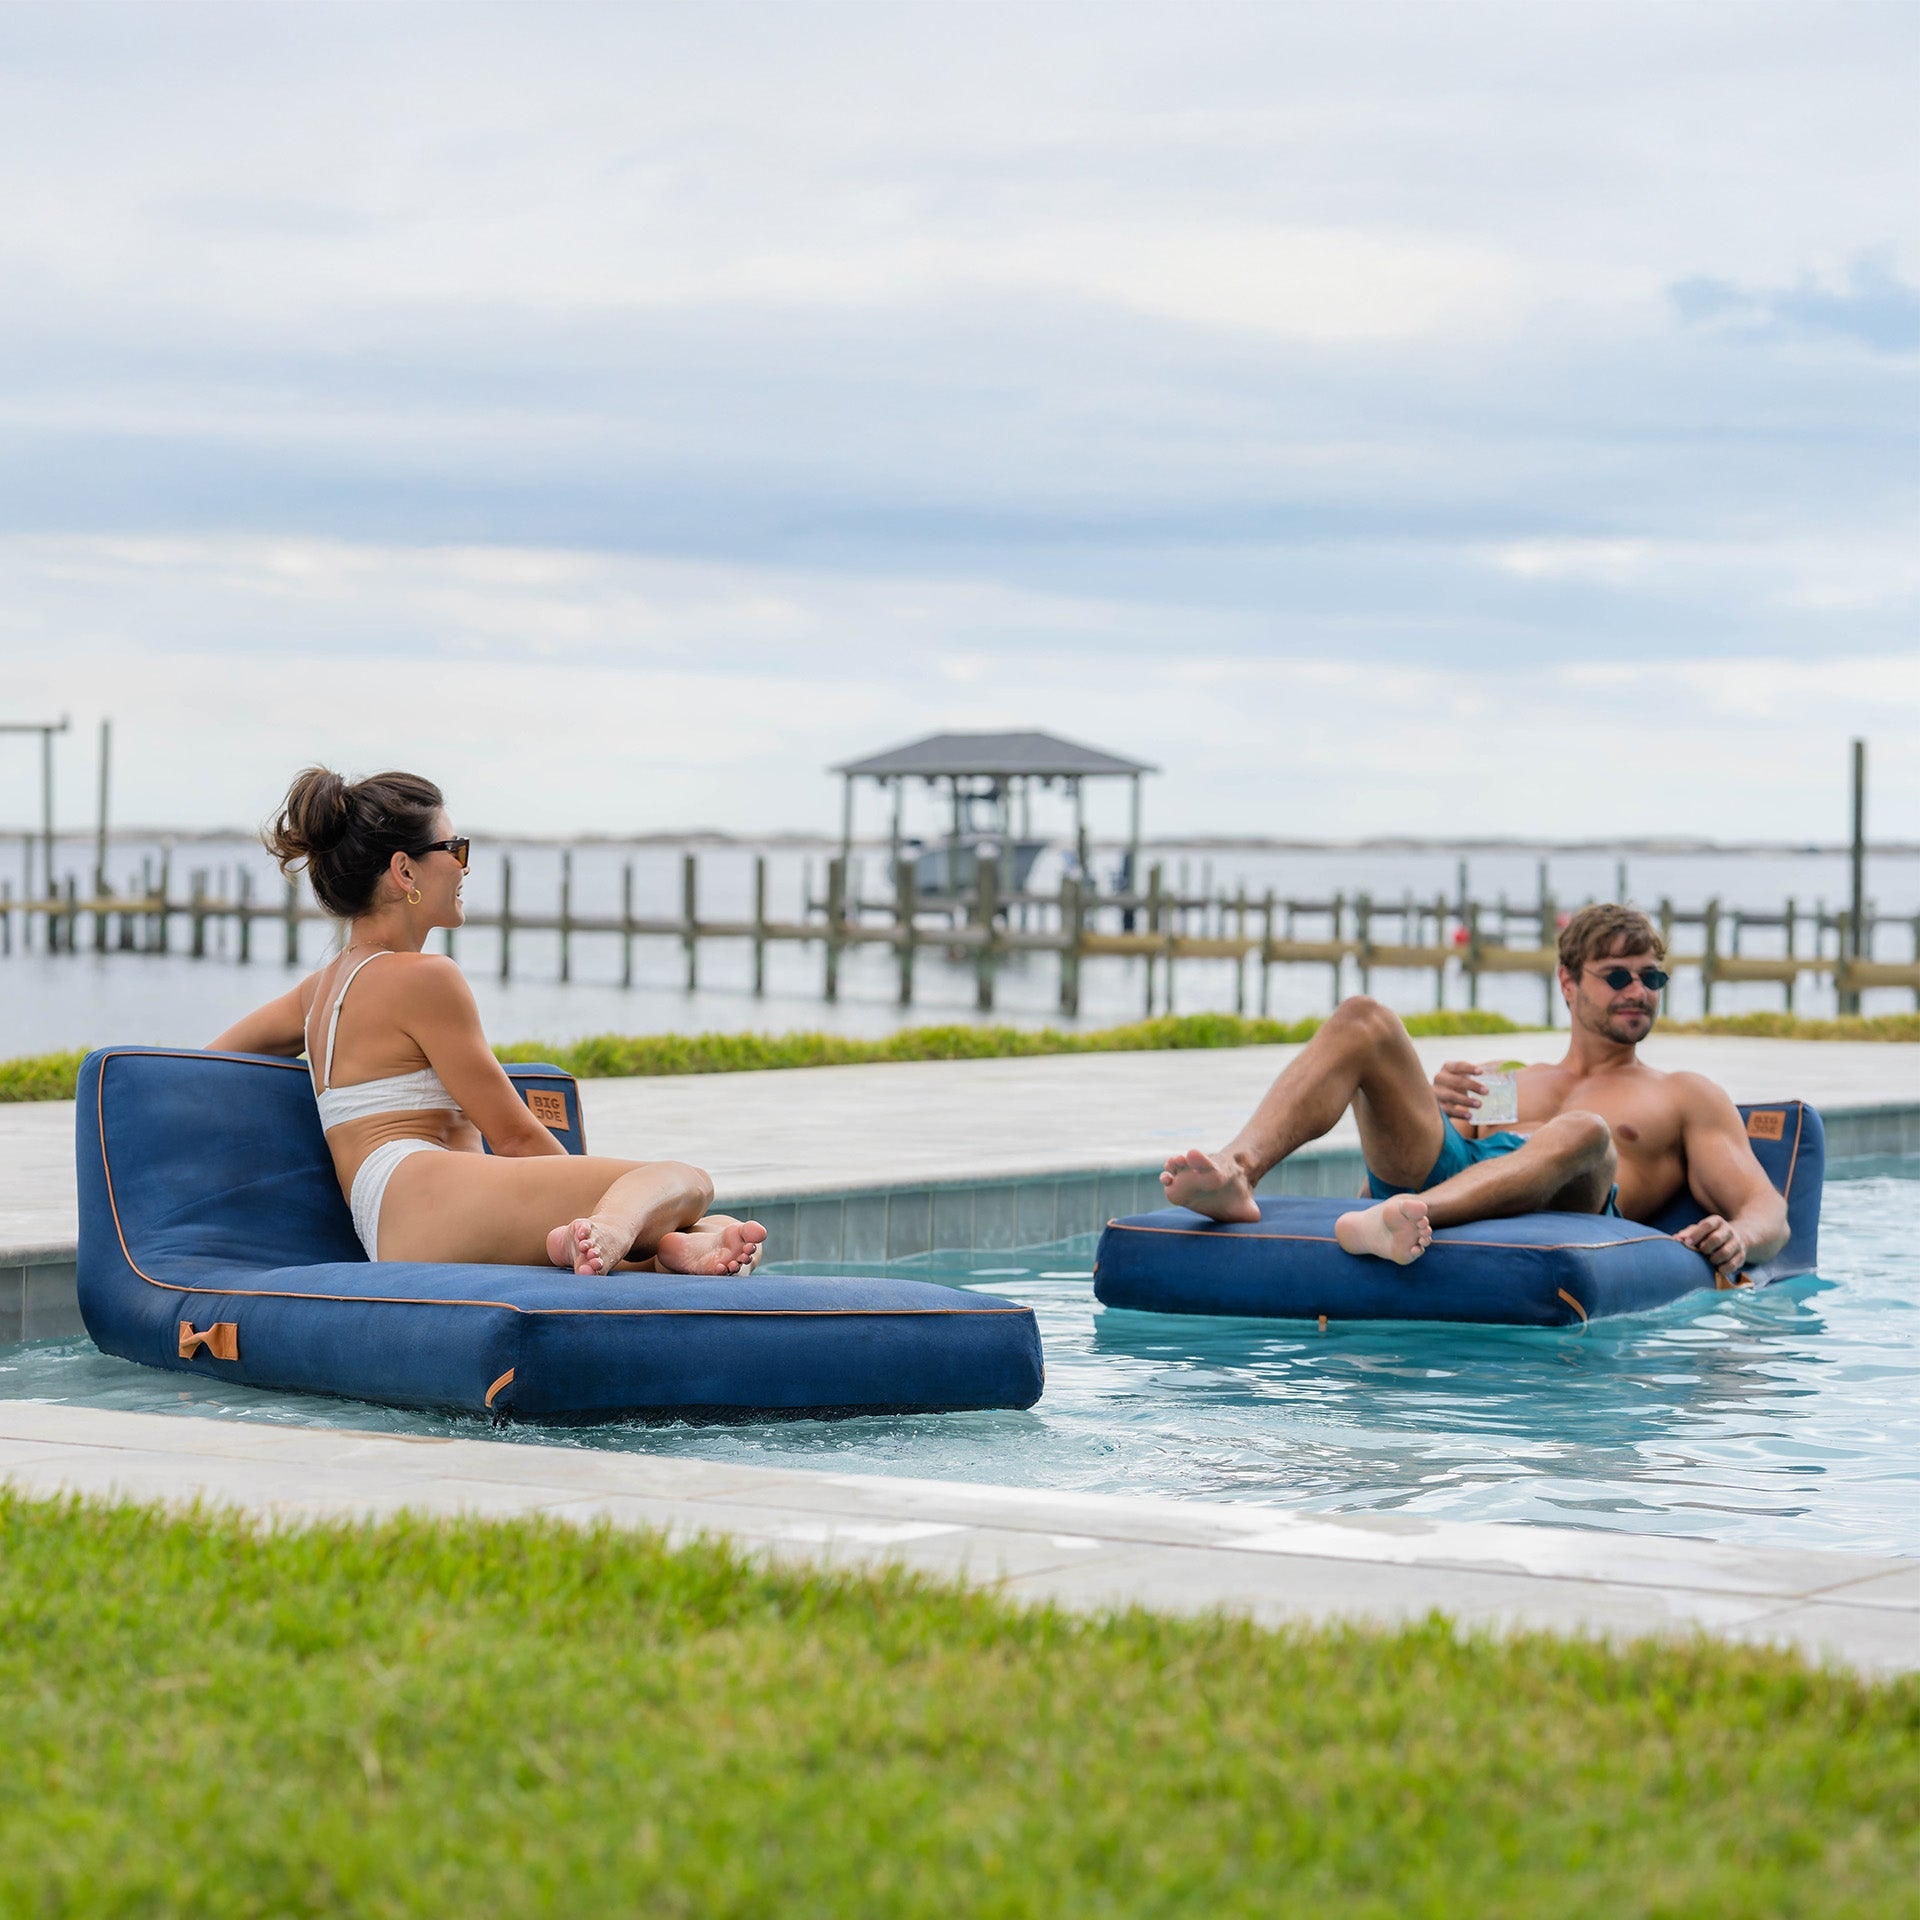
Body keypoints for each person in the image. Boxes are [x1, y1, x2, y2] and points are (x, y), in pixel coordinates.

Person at [209, 767, 767, 1278]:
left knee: (719, 1234)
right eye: (454, 847)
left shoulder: (318, 991)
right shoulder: (424, 977)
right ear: (404, 870)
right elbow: (516, 1137)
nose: (465, 864)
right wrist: (598, 1203)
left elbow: (211, 1061)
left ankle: (669, 1247)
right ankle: (614, 1231)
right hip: (426, 1195)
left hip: (392, 1220)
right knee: (685, 1181)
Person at [1159, 903, 1788, 1282]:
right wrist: (1427, 1111)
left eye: (1652, 976)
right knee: (1363, 1018)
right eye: (1618, 975)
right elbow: (1419, 1158)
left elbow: (1768, 1212)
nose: (1638, 990)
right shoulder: (1508, 1081)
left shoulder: (1681, 1095)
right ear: (1568, 985)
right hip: (1444, 1189)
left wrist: (1741, 1238)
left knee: (1586, 1130)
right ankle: (1238, 1169)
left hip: (1574, 1203)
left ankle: (1411, 1215)